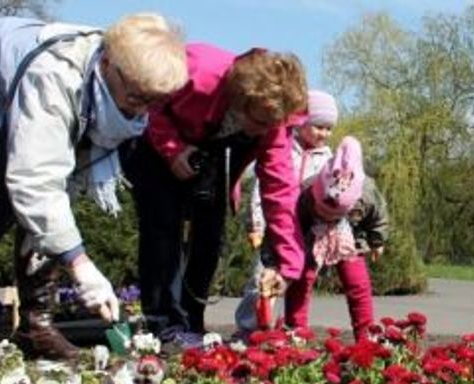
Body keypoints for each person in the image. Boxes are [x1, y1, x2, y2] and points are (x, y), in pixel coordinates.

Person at [0, 13, 187, 359]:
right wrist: (80, 265)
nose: (142, 112)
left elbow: (59, 188)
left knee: (47, 211)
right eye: (136, 97)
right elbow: (36, 180)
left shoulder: (109, 93)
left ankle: (37, 326)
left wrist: (67, 249)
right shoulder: (56, 76)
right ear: (107, 63)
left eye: (155, 102)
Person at [125, 43, 307, 348]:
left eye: (274, 124)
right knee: (163, 229)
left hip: (213, 152)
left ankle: (191, 322)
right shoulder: (195, 71)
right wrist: (172, 149)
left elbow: (279, 189)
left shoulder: (272, 123)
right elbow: (149, 103)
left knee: (210, 236)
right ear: (242, 99)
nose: (268, 131)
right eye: (262, 122)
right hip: (158, 144)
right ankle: (163, 325)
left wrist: (287, 265)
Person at [233, 93, 388, 341]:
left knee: (357, 283)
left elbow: (370, 202)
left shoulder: (331, 160)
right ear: (301, 122)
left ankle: (366, 334)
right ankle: (275, 330)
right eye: (318, 126)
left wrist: (376, 239)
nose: (323, 134)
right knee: (277, 281)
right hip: (292, 229)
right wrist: (258, 225)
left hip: (337, 230)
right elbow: (264, 192)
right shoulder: (282, 153)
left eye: (329, 129)